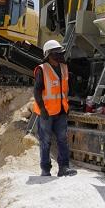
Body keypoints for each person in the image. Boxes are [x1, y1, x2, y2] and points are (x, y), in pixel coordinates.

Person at [31, 40, 72, 177]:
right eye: (56, 54)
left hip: (61, 111)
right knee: (46, 141)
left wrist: (66, 106)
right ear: (49, 55)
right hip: (47, 112)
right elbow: (37, 91)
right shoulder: (42, 70)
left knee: (63, 139)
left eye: (60, 53)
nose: (60, 56)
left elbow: (65, 90)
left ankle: (64, 168)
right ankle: (45, 169)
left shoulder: (64, 68)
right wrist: (42, 109)